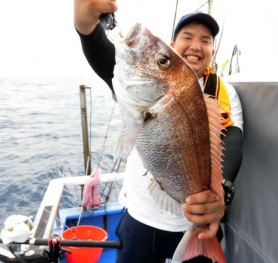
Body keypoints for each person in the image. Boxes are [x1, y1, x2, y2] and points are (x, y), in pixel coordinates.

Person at [74, 1, 243, 262]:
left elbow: (232, 142)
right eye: (187, 37)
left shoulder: (225, 92)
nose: (196, 45)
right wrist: (85, 23)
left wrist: (220, 194)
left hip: (196, 225)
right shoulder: (134, 84)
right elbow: (100, 51)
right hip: (141, 218)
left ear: (213, 50)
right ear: (173, 46)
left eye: (206, 40)